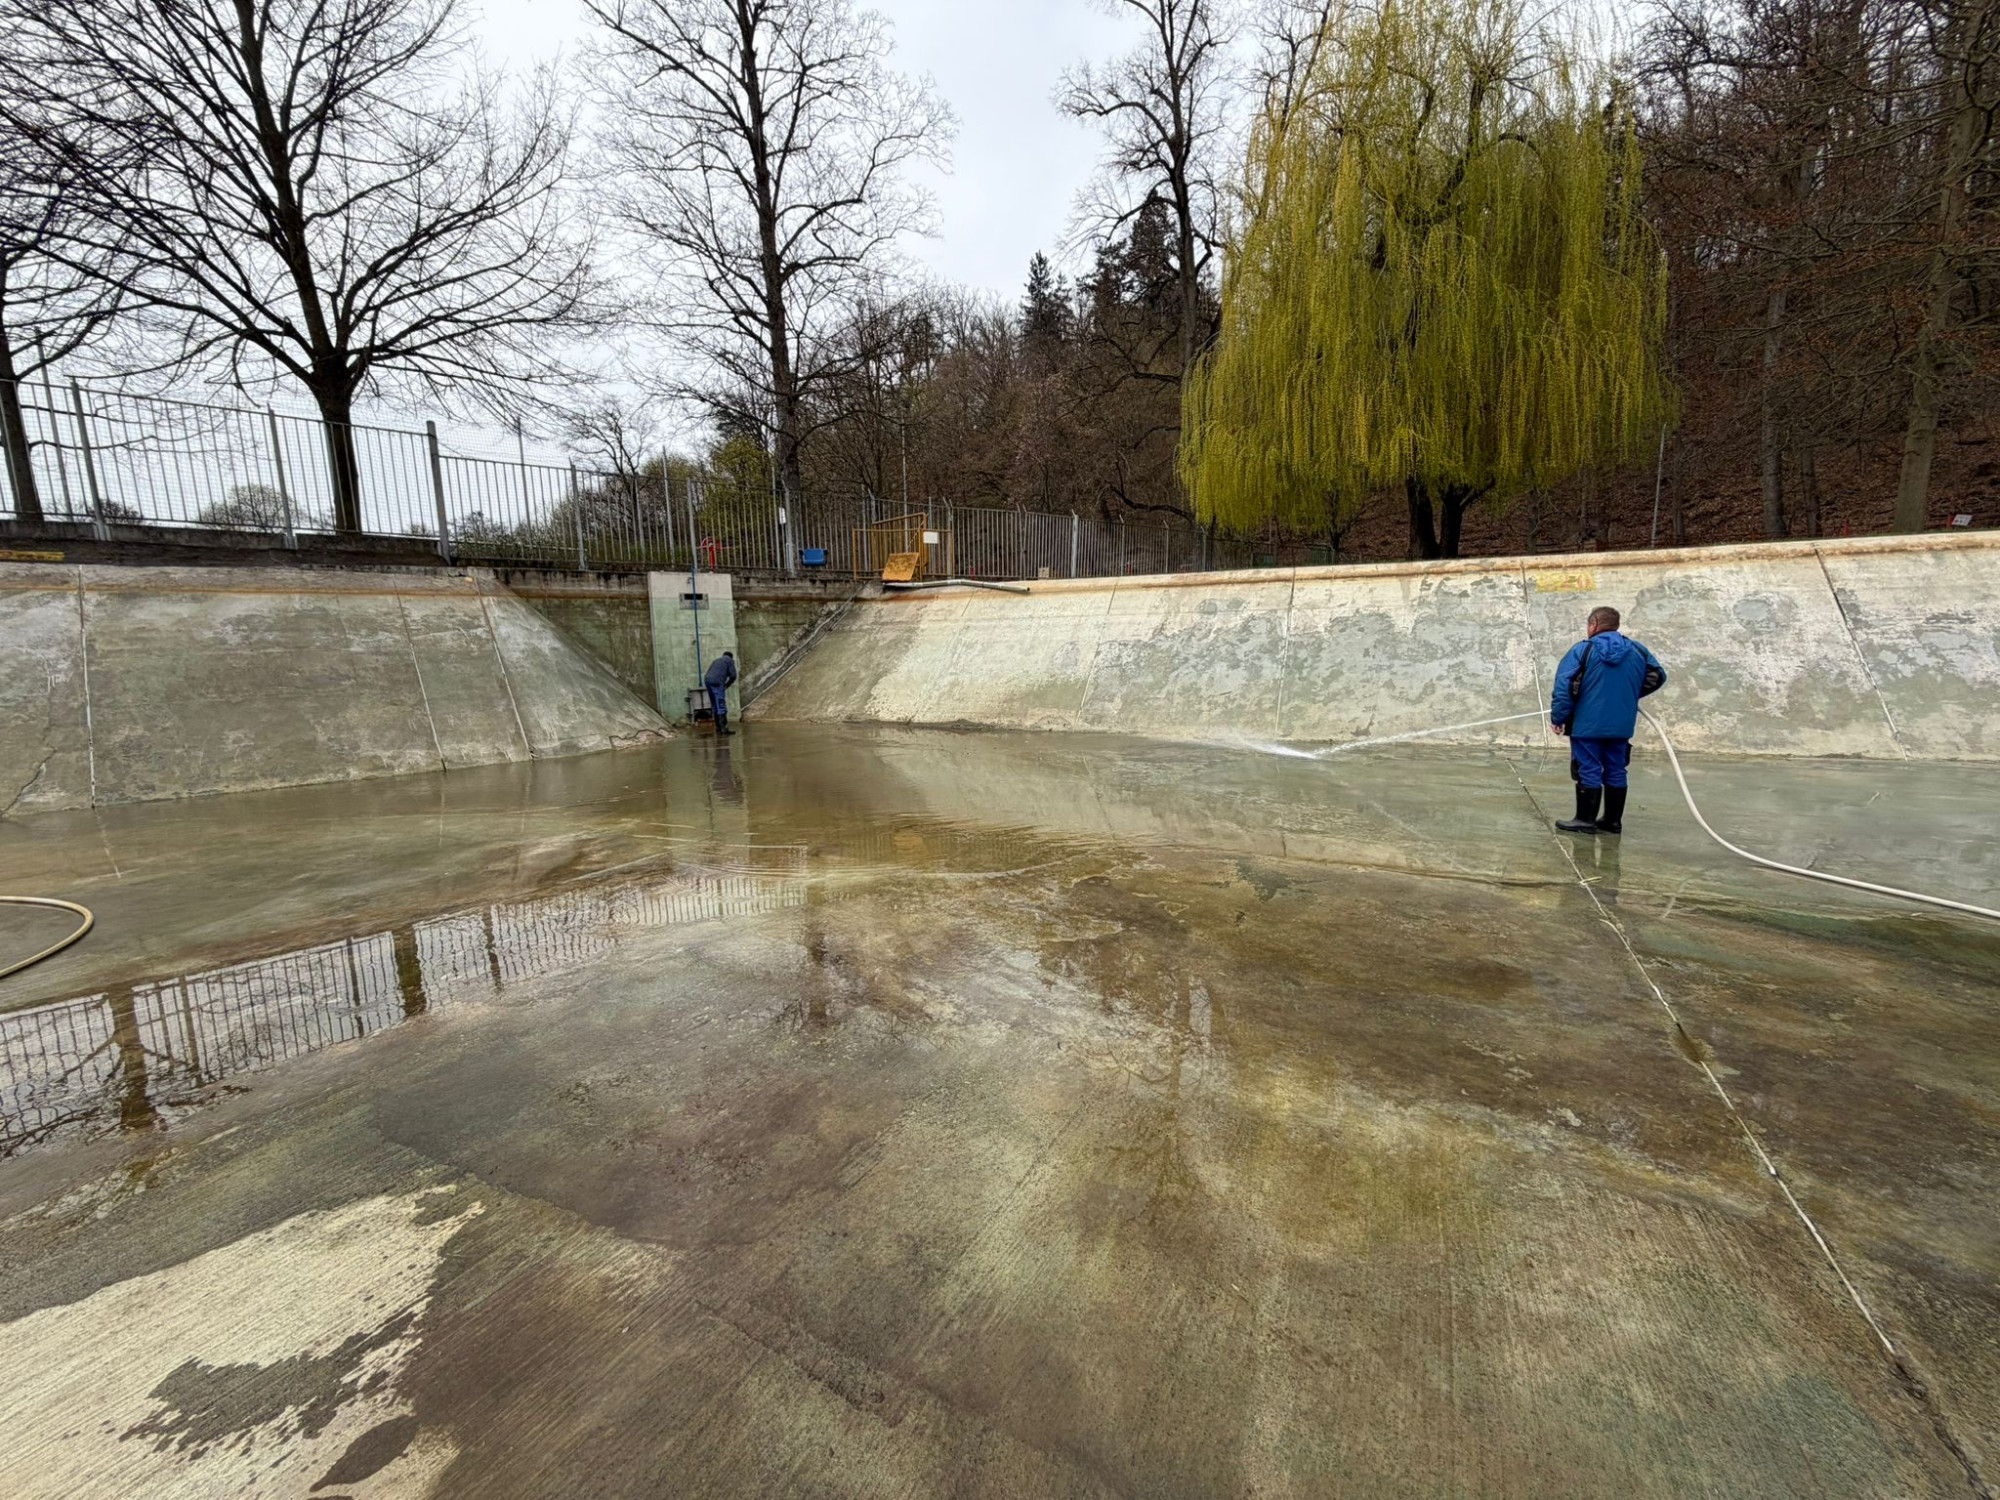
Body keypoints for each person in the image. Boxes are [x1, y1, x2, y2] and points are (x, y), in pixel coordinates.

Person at [1549, 607, 1666, 836]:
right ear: (1616, 624)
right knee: (1616, 768)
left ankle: (1585, 820)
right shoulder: (1637, 650)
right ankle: (1612, 822)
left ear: (1593, 624)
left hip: (1587, 724)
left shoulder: (1583, 650)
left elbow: (1564, 686)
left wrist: (1558, 718)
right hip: (1621, 724)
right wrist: (1628, 694)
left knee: (1588, 768)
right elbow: (1658, 675)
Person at [703, 651, 738, 736]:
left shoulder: (716, 660)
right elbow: (733, 676)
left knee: (715, 704)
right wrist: (727, 685)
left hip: (707, 680)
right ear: (731, 657)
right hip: (717, 682)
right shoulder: (729, 660)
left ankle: (718, 728)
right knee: (721, 704)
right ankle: (724, 729)